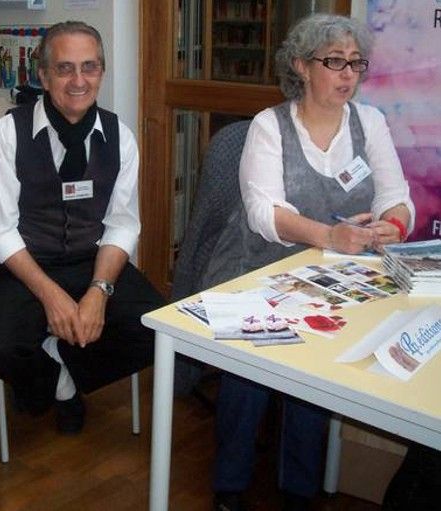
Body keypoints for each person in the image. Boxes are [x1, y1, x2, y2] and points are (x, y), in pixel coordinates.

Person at [206, 14, 415, 511]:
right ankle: (230, 484)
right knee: (249, 367)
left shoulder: (370, 123)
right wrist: (329, 236)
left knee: (318, 369)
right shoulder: (270, 125)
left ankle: (298, 489)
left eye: (356, 63)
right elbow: (263, 215)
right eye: (334, 61)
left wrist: (394, 224)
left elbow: (396, 196)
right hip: (260, 267)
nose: (348, 75)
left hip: (337, 272)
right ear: (301, 66)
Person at [0, 21, 164, 434]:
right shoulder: (8, 134)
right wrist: (52, 297)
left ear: (101, 72)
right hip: (25, 262)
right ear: (43, 76)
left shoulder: (120, 137)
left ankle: (63, 360)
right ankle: (59, 383)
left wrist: (99, 290)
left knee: (156, 329)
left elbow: (121, 225)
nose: (79, 81)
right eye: (64, 69)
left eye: (89, 67)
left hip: (90, 260)